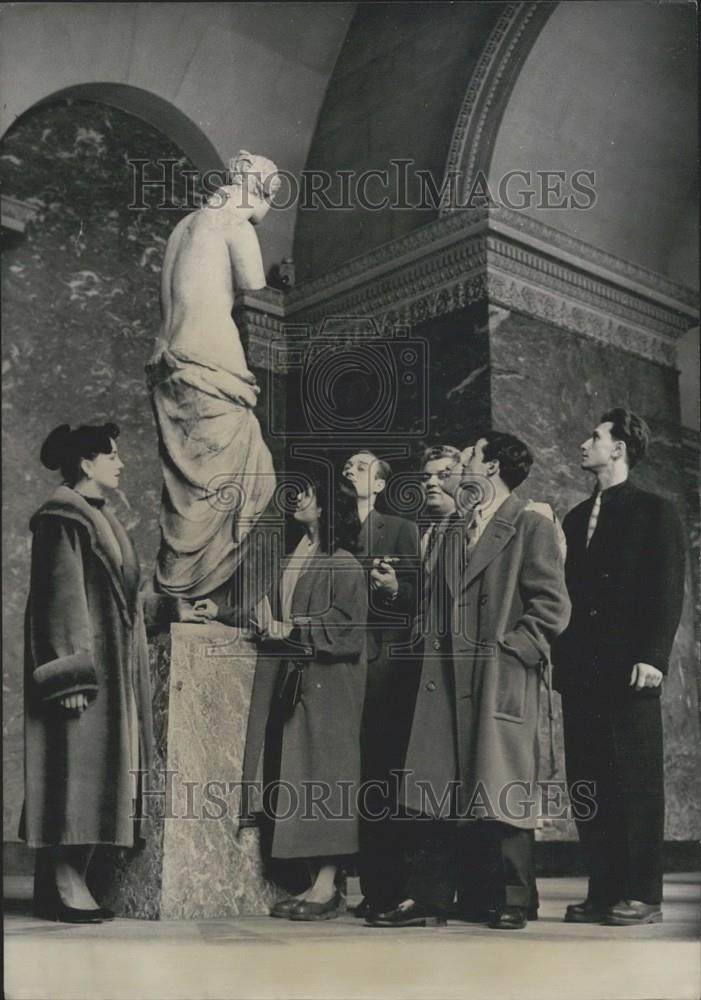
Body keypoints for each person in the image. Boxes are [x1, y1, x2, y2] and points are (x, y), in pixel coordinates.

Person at [369, 431, 570, 930]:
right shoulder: (455, 531)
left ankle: (510, 900)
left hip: (496, 676)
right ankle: (432, 896)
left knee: (500, 786)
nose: (460, 467)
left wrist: (514, 652)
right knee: (437, 787)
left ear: (492, 468)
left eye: (469, 459)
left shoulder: (529, 525)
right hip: (446, 677)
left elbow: (551, 606)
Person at [20, 423, 208, 923]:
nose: (121, 463)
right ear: (86, 463)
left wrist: (173, 610)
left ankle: (60, 880)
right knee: (73, 772)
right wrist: (70, 676)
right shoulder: (62, 519)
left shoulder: (99, 519)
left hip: (111, 672)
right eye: (112, 456)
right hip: (85, 675)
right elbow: (58, 603)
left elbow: (117, 603)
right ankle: (62, 880)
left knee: (91, 773)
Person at [206, 475, 367, 920]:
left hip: (330, 687)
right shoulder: (297, 556)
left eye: (311, 493)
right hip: (299, 683)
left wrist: (293, 629)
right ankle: (319, 882)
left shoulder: (344, 564)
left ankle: (327, 885)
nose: (301, 498)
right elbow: (269, 610)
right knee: (299, 778)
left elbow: (346, 630)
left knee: (325, 779)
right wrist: (219, 612)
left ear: (328, 507)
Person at [552, 408, 685, 926]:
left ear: (620, 448)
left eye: (596, 436)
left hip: (631, 669)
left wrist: (653, 657)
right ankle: (603, 890)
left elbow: (666, 591)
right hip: (580, 671)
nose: (585, 443)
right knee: (589, 783)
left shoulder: (657, 512)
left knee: (634, 782)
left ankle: (642, 894)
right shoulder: (571, 518)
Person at [146, 150, 280, 603]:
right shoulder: (234, 224)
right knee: (250, 477)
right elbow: (255, 284)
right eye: (271, 197)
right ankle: (196, 590)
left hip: (170, 363)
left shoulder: (184, 227)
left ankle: (176, 588)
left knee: (191, 484)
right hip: (212, 362)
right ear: (260, 189)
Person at [341, 451, 420, 919]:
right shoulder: (330, 531)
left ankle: (386, 887)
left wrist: (393, 590)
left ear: (381, 484)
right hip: (335, 670)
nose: (352, 469)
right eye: (348, 464)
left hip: (382, 671)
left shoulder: (401, 529)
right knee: (348, 777)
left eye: (363, 465)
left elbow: (418, 598)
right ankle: (367, 886)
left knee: (379, 776)